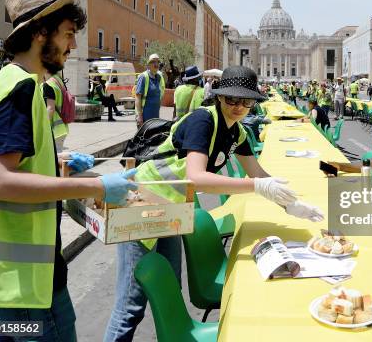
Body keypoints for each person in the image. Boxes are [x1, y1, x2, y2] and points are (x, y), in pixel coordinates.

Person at [0, 0, 136, 341]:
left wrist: (54, 161)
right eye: (68, 34)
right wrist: (97, 185)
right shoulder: (22, 88)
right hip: (27, 285)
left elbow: (9, 160)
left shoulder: (9, 81)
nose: (73, 46)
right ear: (41, 32)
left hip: (10, 279)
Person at [105, 66, 324, 341]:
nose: (238, 106)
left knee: (170, 285)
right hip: (142, 201)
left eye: (246, 101)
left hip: (172, 207)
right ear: (220, 97)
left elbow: (258, 174)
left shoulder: (238, 132)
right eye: (232, 99)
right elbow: (197, 177)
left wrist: (291, 204)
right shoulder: (203, 121)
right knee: (131, 305)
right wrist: (257, 187)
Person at [135, 53, 165, 127]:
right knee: (144, 137)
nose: (156, 64)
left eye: (158, 62)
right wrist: (139, 116)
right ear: (148, 65)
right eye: (153, 62)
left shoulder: (158, 77)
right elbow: (138, 97)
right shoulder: (143, 77)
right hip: (145, 115)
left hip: (155, 115)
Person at [43, 71, 70, 151]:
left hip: (54, 130)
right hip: (61, 128)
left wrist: (42, 128)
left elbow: (50, 108)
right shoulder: (59, 81)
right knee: (57, 157)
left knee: (55, 159)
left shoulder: (48, 85)